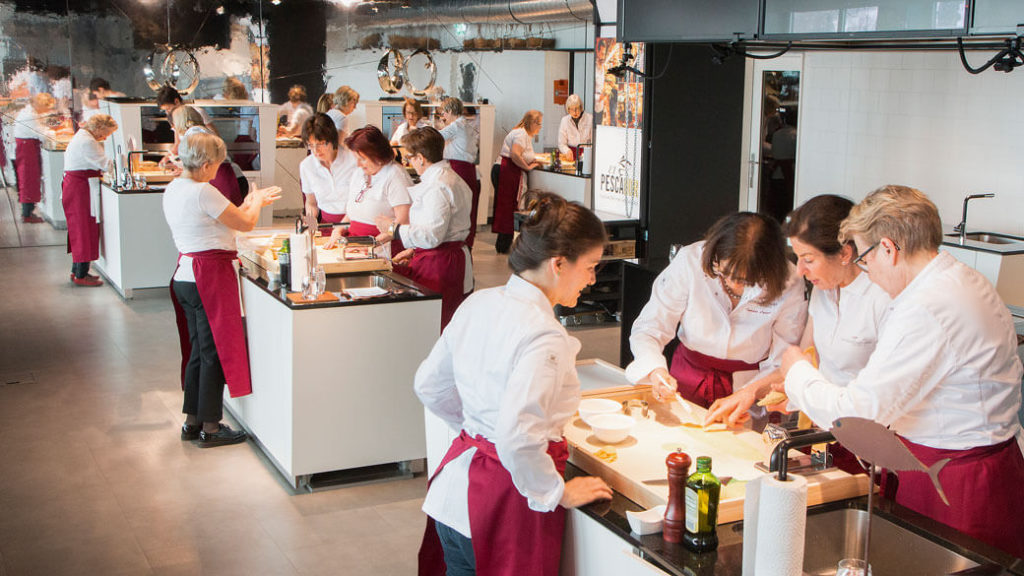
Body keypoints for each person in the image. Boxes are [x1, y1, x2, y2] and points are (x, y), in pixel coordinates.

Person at [777, 185, 1024, 558]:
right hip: (976, 467)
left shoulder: (925, 307)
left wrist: (796, 372)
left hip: (957, 482)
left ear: (888, 249)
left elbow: (858, 414)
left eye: (864, 258)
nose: (866, 269)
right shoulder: (960, 279)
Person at [415, 192, 613, 576]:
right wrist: (558, 491)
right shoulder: (544, 335)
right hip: (500, 505)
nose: (591, 280)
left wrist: (476, 431)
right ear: (558, 263)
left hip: (454, 494)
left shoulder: (479, 302)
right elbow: (517, 436)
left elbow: (428, 385)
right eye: (590, 267)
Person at [704, 196, 890, 443]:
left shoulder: (882, 298)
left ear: (845, 253)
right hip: (824, 429)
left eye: (809, 259)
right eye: (798, 257)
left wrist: (803, 394)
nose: (800, 270)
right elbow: (805, 360)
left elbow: (878, 396)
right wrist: (758, 393)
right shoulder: (824, 290)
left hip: (868, 437)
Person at [164, 127, 281, 448]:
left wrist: (250, 203)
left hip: (185, 274)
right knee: (213, 350)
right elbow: (245, 223)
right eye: (216, 165)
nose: (218, 171)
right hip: (209, 275)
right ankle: (212, 426)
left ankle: (192, 420)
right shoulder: (203, 191)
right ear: (204, 165)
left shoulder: (174, 187)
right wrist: (255, 201)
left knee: (196, 354)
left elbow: (223, 219)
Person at [628, 212, 807, 409]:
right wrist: (656, 370)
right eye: (725, 273)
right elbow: (650, 328)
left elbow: (786, 358)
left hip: (753, 385)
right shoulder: (690, 261)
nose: (732, 284)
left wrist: (749, 392)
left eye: (746, 280)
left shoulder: (788, 280)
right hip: (689, 376)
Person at [374, 127, 473, 331]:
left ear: (421, 158)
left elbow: (431, 236)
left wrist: (393, 229)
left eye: (410, 157)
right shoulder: (450, 177)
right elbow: (439, 229)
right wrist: (414, 249)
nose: (409, 162)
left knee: (437, 323)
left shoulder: (438, 186)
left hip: (441, 264)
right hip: (443, 256)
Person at [325, 126, 411, 256]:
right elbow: (352, 213)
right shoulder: (359, 173)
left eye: (363, 159)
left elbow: (403, 222)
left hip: (383, 249)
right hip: (354, 245)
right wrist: (338, 230)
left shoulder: (395, 175)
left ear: (377, 154)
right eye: (357, 159)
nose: (358, 164)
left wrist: (371, 245)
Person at [61, 114, 118, 287]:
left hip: (78, 186)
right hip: (80, 188)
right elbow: (106, 164)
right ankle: (80, 274)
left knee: (80, 229)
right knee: (83, 229)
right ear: (99, 128)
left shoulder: (83, 136)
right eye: (106, 133)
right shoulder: (88, 142)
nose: (106, 137)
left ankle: (78, 270)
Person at [171, 107, 247, 206]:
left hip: (226, 178)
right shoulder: (199, 131)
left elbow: (201, 161)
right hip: (231, 176)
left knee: (229, 218)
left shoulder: (195, 133)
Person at [492, 110, 542, 254]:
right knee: (508, 207)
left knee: (507, 207)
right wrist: (527, 167)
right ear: (532, 123)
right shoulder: (521, 134)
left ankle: (504, 244)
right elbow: (515, 154)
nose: (539, 127)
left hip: (508, 171)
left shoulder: (524, 135)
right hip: (507, 171)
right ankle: (503, 244)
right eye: (538, 124)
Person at [298, 113, 358, 225]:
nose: (316, 151)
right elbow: (311, 204)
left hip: (355, 222)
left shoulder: (353, 160)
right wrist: (310, 226)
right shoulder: (307, 166)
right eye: (310, 145)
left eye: (320, 144)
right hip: (326, 224)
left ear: (332, 140)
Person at [437, 97, 481, 249]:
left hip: (459, 171)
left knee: (459, 211)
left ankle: (459, 245)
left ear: (449, 111)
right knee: (469, 212)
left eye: (443, 113)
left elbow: (434, 138)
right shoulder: (466, 125)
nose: (443, 117)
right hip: (469, 170)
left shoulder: (456, 126)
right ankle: (467, 246)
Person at [13, 92, 57, 223]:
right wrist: (54, 131)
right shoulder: (30, 115)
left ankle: (28, 211)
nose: (48, 110)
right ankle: (27, 214)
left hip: (27, 146)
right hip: (27, 148)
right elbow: (41, 133)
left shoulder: (30, 112)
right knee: (28, 179)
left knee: (29, 179)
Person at [556, 94, 593, 160]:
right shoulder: (564, 120)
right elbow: (561, 143)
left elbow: (594, 142)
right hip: (570, 155)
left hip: (587, 155)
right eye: (571, 109)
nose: (574, 112)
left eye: (576, 109)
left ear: (581, 107)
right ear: (568, 109)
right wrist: (567, 151)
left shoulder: (590, 118)